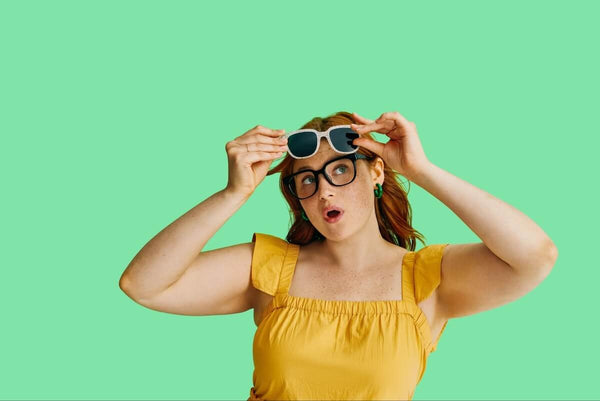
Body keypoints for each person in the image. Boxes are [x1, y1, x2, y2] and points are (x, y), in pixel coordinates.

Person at [119, 110, 558, 400]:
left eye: (342, 170)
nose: (324, 188)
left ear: (377, 172)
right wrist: (234, 194)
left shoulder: (428, 278)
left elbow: (535, 256)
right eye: (306, 180)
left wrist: (422, 170)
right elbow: (142, 285)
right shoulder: (270, 268)